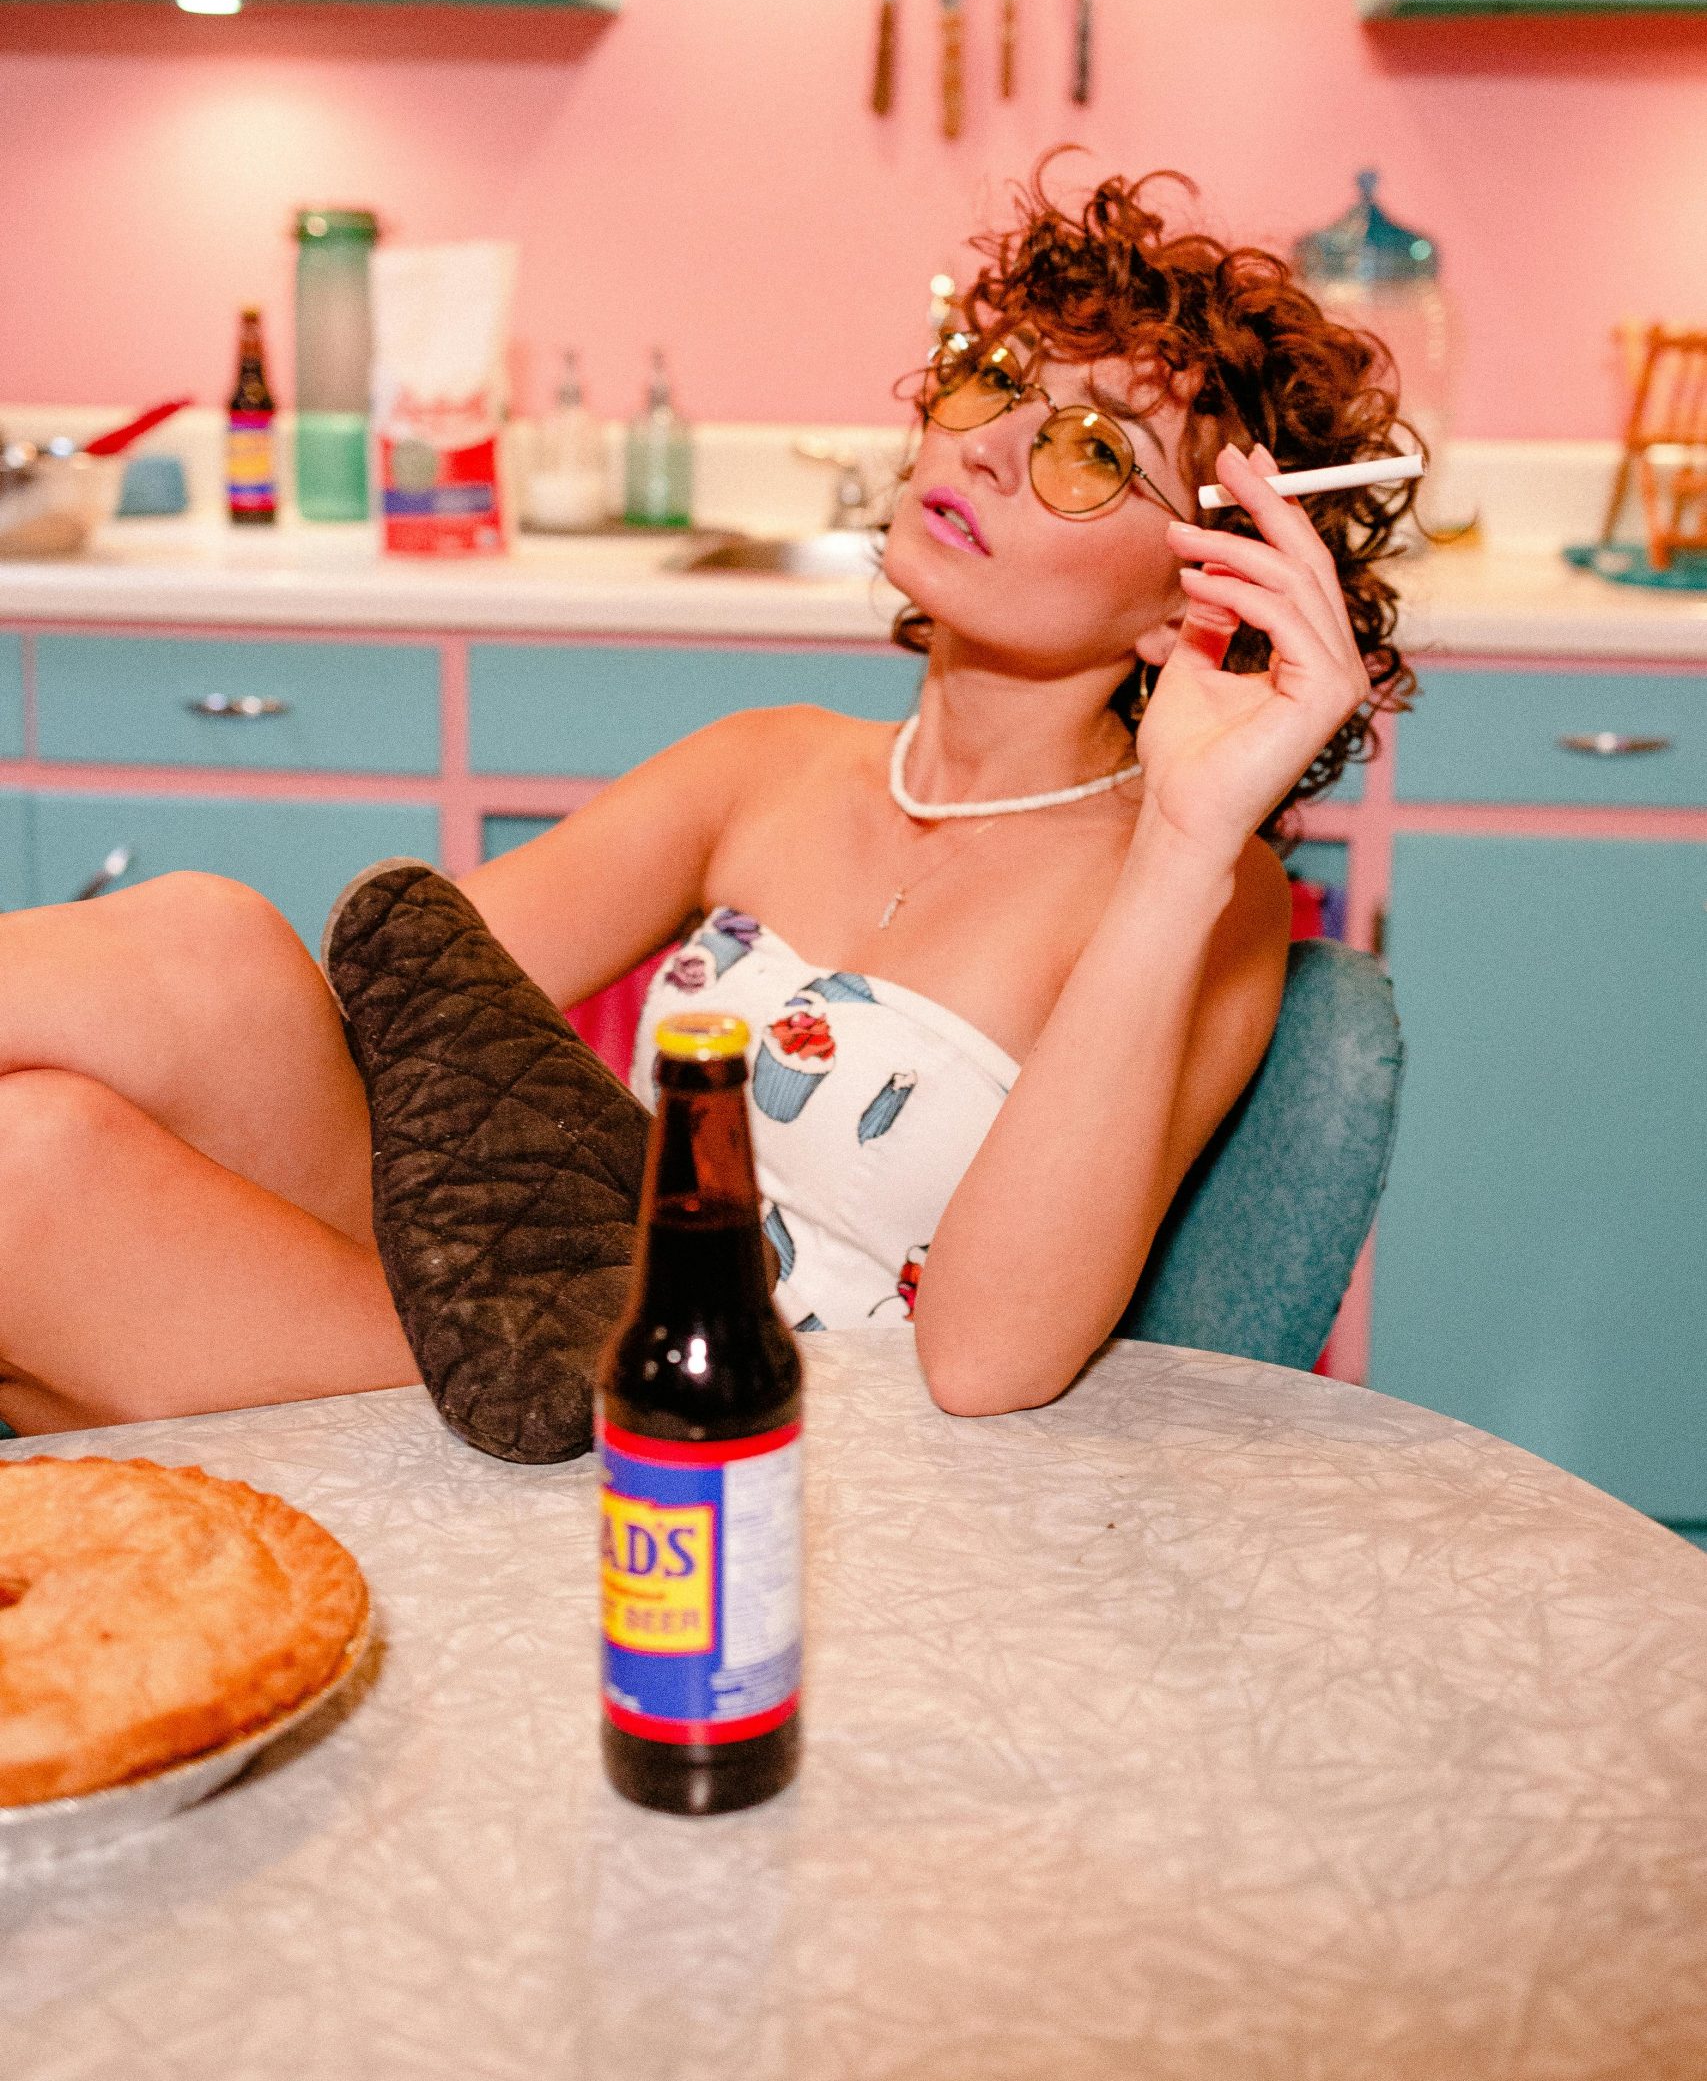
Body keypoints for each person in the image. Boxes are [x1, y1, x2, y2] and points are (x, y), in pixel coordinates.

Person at [0, 169, 1414, 1452]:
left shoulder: (1192, 887)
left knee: (34, 1182)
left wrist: (1182, 835)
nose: (985, 447)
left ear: (1193, 599)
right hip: (567, 1315)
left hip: (751, 1437)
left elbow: (986, 1362)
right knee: (205, 950)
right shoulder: (769, 764)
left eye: (1093, 453)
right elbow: (393, 1030)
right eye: (990, 379)